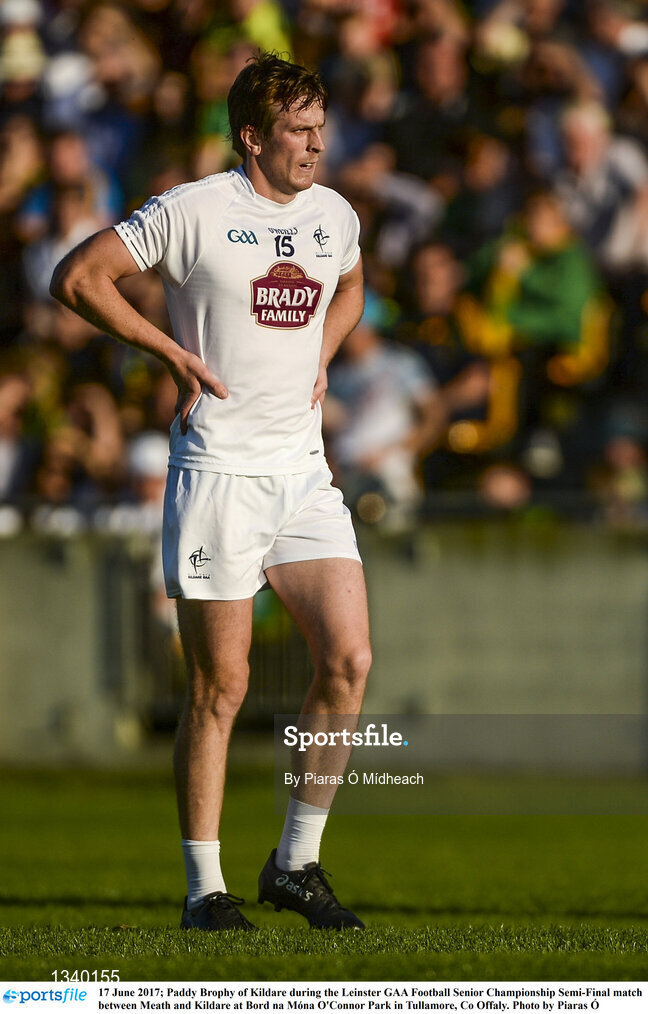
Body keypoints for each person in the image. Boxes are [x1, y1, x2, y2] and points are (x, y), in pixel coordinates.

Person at [50, 52, 370, 933]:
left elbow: (350, 286)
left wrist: (326, 354)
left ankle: (296, 865)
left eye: (320, 126)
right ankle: (204, 890)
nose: (315, 145)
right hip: (217, 475)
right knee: (219, 686)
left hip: (302, 473)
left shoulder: (334, 213)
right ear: (253, 137)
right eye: (298, 131)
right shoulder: (194, 210)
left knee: (348, 661)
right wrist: (169, 352)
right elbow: (77, 277)